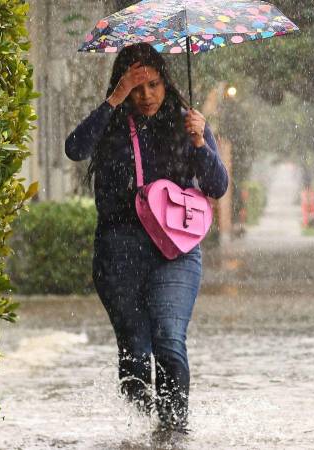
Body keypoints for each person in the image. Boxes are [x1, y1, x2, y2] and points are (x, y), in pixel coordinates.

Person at [65, 43, 228, 434]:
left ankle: (173, 433)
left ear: (165, 82)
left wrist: (201, 143)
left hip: (175, 250)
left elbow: (217, 185)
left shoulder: (187, 123)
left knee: (169, 341)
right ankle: (140, 432)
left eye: (153, 84)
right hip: (118, 250)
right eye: (136, 86)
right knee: (136, 355)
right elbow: (75, 148)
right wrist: (114, 99)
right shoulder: (111, 124)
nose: (147, 95)